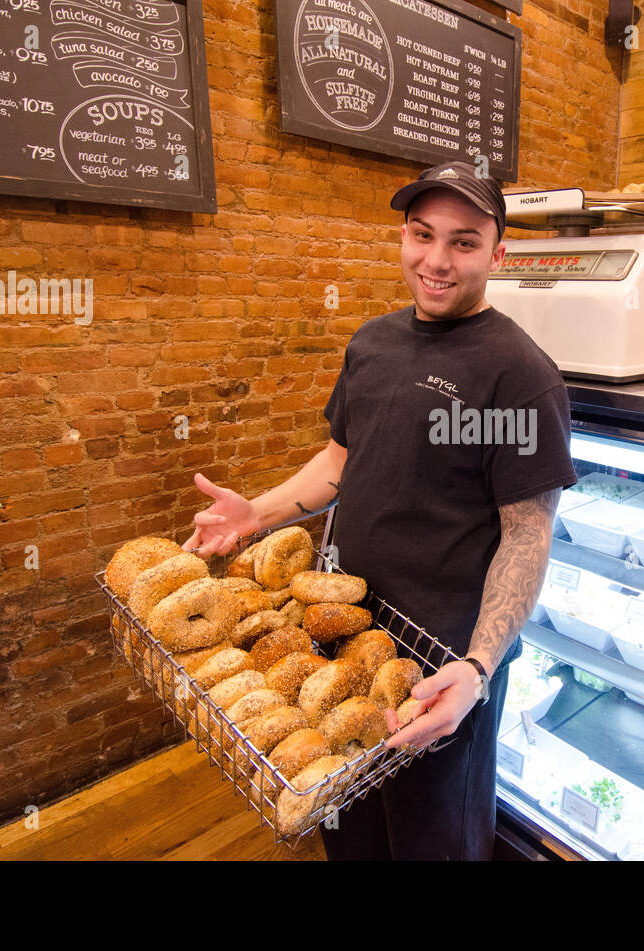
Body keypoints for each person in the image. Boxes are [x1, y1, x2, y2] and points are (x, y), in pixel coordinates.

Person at [182, 161, 576, 860]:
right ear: (402, 235)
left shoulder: (521, 375)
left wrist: (480, 665)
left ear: (498, 254)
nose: (436, 259)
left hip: (440, 666)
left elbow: (527, 529)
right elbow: (339, 462)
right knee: (352, 827)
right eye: (423, 235)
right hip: (343, 637)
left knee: (433, 840)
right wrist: (255, 514)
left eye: (463, 242)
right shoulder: (373, 343)